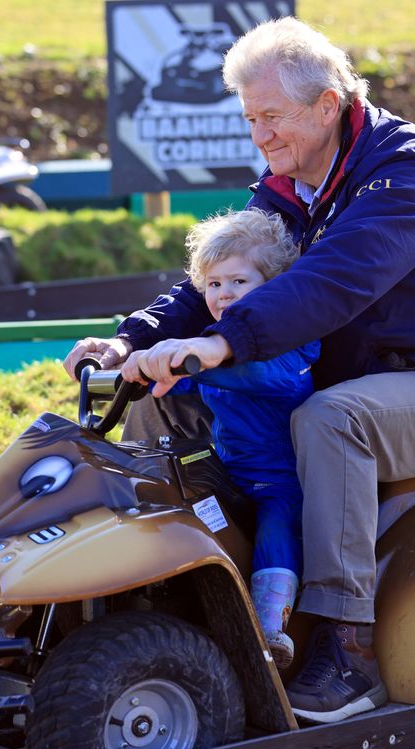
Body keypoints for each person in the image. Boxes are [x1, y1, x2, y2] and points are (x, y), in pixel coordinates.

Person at [64, 17, 415, 724]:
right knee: (164, 397)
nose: (261, 136)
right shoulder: (290, 185)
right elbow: (213, 279)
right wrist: (135, 341)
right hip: (351, 374)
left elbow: (334, 283)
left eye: (273, 117)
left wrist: (225, 342)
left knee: (329, 421)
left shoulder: (403, 177)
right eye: (251, 118)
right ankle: (169, 588)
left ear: (329, 105)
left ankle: (349, 645)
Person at [122, 208, 318, 669]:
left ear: (274, 286)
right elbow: (184, 381)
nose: (224, 294)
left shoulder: (293, 345)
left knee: (277, 525)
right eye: (213, 285)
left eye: (238, 282)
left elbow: (272, 379)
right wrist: (144, 369)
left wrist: (206, 360)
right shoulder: (212, 345)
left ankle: (271, 629)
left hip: (280, 481)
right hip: (226, 473)